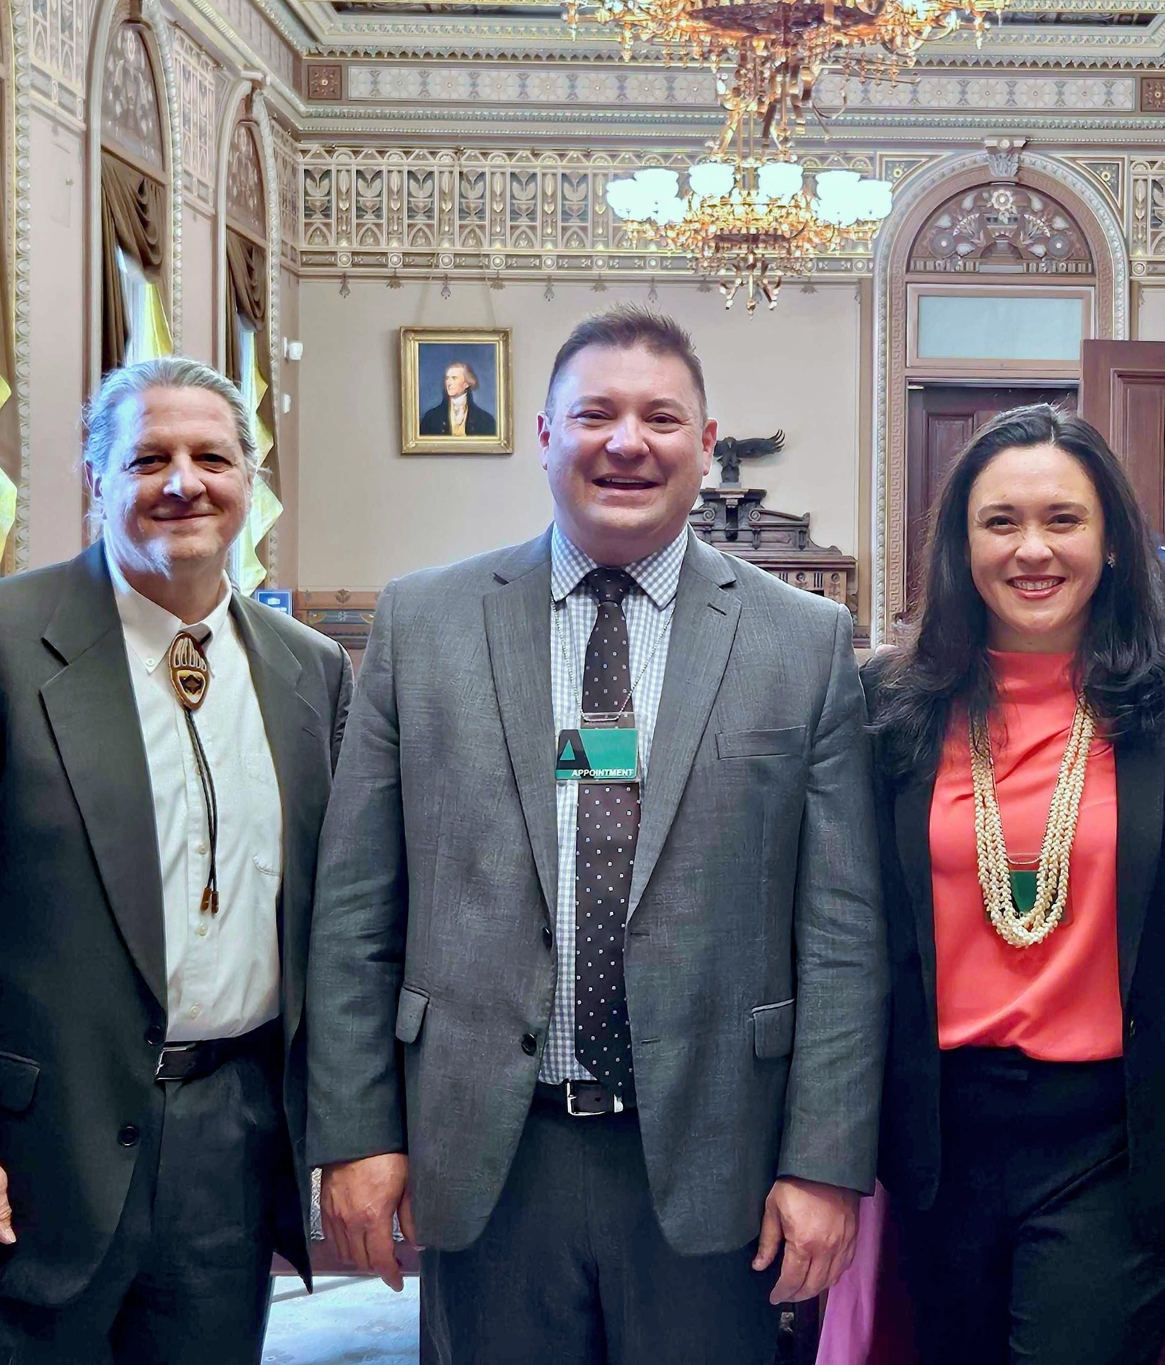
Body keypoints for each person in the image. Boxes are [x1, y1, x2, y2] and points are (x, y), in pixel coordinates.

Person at [307, 307, 886, 1364]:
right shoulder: (423, 624)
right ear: (541, 435)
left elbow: (842, 937)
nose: (627, 441)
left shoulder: (800, 644)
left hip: (719, 1156)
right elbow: (354, 910)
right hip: (488, 1149)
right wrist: (355, 1132)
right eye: (595, 414)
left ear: (705, 446)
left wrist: (823, 1162)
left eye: (661, 417)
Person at [0, 357, 354, 1364]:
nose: (183, 481)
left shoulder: (309, 670)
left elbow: (337, 921)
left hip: (229, 1145)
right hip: (15, 1160)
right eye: (147, 458)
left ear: (248, 482)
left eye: (212, 456)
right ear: (94, 478)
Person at [866, 406, 1165, 1362]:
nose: (1033, 549)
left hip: (1117, 1137)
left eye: (1064, 519)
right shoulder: (890, 709)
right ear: (959, 544)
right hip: (941, 1139)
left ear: (1111, 543)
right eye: (1000, 521)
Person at [419, 358, 498, 436]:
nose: (449, 383)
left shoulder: (485, 420)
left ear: (466, 384)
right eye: (447, 378)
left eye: (454, 378)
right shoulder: (431, 417)